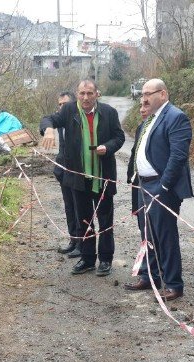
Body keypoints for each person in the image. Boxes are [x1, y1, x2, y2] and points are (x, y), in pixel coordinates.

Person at [41, 79, 125, 276]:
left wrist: (108, 147)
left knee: (105, 221)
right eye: (82, 93)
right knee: (84, 220)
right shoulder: (69, 111)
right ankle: (87, 259)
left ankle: (105, 260)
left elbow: (119, 137)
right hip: (78, 178)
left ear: (97, 94)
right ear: (77, 94)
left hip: (103, 177)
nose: (85, 97)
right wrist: (49, 129)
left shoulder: (109, 113)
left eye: (89, 93)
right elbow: (48, 119)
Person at [124, 78, 193, 301]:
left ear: (162, 94)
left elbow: (178, 156)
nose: (143, 98)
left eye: (148, 93)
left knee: (165, 236)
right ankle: (148, 276)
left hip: (161, 186)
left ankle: (173, 284)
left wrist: (164, 186)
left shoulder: (176, 117)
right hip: (143, 185)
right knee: (147, 234)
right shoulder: (148, 120)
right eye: (142, 93)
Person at [39, 92, 82, 258]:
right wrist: (48, 130)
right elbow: (45, 119)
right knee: (69, 207)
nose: (62, 108)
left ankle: (82, 243)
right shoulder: (60, 120)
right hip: (63, 171)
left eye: (65, 104)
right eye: (59, 105)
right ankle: (73, 240)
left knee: (80, 208)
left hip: (78, 172)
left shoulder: (79, 119)